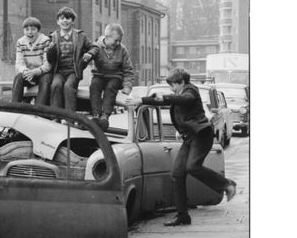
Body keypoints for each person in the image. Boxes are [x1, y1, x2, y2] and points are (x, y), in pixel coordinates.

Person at [138, 67, 237, 226]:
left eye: (173, 86)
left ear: (182, 82)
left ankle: (227, 184)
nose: (172, 89)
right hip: (189, 138)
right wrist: (141, 100)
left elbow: (185, 99)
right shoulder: (180, 94)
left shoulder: (191, 91)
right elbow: (166, 101)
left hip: (202, 136)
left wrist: (166, 96)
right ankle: (183, 215)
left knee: (192, 166)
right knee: (177, 174)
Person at [46, 7, 97, 112]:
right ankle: (56, 116)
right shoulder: (53, 37)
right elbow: (50, 59)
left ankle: (70, 119)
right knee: (55, 86)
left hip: (73, 71)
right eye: (62, 18)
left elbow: (94, 47)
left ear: (73, 21)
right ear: (58, 21)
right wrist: (50, 50)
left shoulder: (80, 36)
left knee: (68, 87)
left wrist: (89, 53)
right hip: (58, 71)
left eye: (68, 18)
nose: (65, 20)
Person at [89, 23, 134, 131]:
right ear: (107, 37)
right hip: (100, 75)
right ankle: (96, 114)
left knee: (111, 87)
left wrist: (127, 86)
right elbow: (88, 55)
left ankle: (105, 116)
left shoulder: (122, 50)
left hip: (115, 76)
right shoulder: (97, 47)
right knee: (94, 86)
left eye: (120, 40)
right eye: (116, 40)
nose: (118, 43)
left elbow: (128, 70)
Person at [11, 17, 52, 105]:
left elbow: (47, 65)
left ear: (38, 30)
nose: (30, 32)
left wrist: (34, 72)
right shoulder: (20, 42)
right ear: (23, 30)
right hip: (29, 73)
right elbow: (19, 63)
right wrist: (26, 71)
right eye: (27, 29)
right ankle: (14, 107)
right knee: (18, 77)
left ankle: (39, 109)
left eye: (33, 29)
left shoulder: (45, 41)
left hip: (42, 73)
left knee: (45, 81)